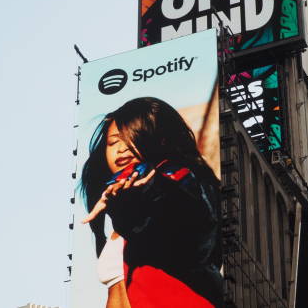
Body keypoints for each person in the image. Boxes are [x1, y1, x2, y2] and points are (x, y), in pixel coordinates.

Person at [80, 97, 223, 308]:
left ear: (160, 140)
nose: (121, 149)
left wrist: (151, 186)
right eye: (113, 142)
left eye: (130, 138)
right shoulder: (124, 209)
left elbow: (184, 206)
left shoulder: (180, 184)